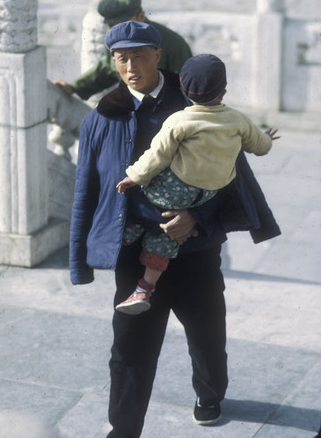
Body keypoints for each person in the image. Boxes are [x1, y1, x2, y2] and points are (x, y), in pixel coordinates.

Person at [69, 20, 281, 436]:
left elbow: (231, 178)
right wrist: (80, 260)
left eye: (139, 56)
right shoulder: (101, 118)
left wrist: (195, 219)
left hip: (196, 252)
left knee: (207, 338)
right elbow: (85, 191)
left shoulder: (198, 110)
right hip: (133, 255)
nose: (131, 66)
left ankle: (210, 393)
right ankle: (123, 429)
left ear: (158, 56)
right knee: (128, 349)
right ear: (113, 61)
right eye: (121, 58)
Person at [115, 53, 280, 315]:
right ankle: (144, 288)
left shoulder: (180, 120)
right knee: (166, 240)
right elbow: (259, 147)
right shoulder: (238, 120)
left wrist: (134, 176)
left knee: (146, 204)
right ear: (223, 93)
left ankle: (126, 236)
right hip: (205, 195)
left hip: (173, 189)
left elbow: (157, 156)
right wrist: (267, 138)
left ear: (183, 89)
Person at [53, 0, 192, 100]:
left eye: (124, 24)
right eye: (113, 26)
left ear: (141, 16)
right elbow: (106, 70)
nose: (119, 31)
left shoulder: (174, 45)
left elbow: (186, 92)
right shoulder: (116, 40)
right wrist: (73, 88)